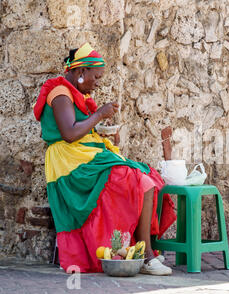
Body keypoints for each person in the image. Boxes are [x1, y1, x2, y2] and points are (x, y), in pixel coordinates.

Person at [33, 43, 176, 275]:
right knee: (129, 178)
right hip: (70, 164)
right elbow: (69, 134)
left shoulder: (75, 92)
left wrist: (102, 132)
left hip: (85, 156)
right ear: (81, 72)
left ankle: (143, 255)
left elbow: (80, 130)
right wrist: (99, 114)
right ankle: (145, 256)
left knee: (145, 178)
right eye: (96, 77)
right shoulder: (59, 93)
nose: (97, 83)